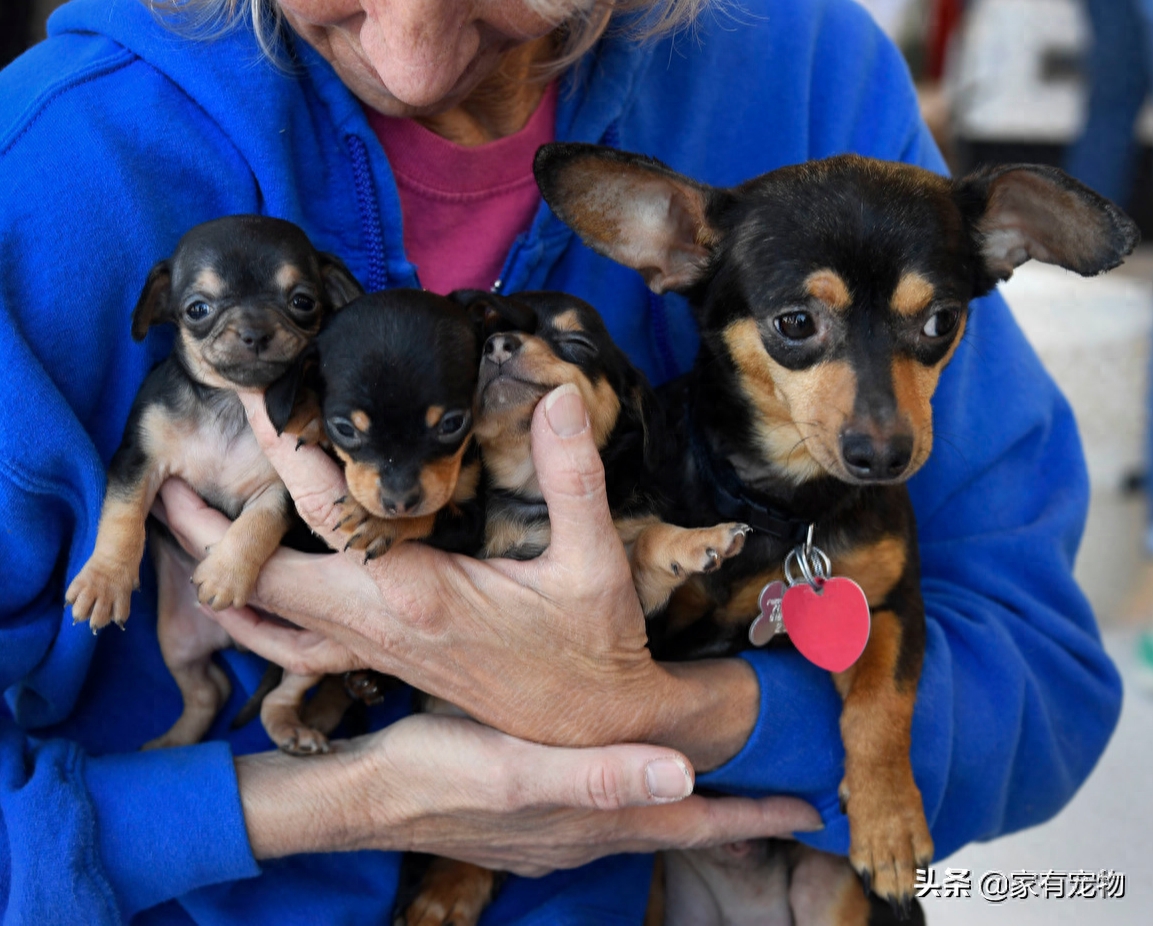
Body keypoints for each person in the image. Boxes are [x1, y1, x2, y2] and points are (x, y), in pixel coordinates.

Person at [0, 0, 1122, 922]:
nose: (412, 55)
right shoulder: (56, 163)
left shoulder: (810, 72)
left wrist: (668, 713)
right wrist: (345, 799)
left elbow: (1044, 684)